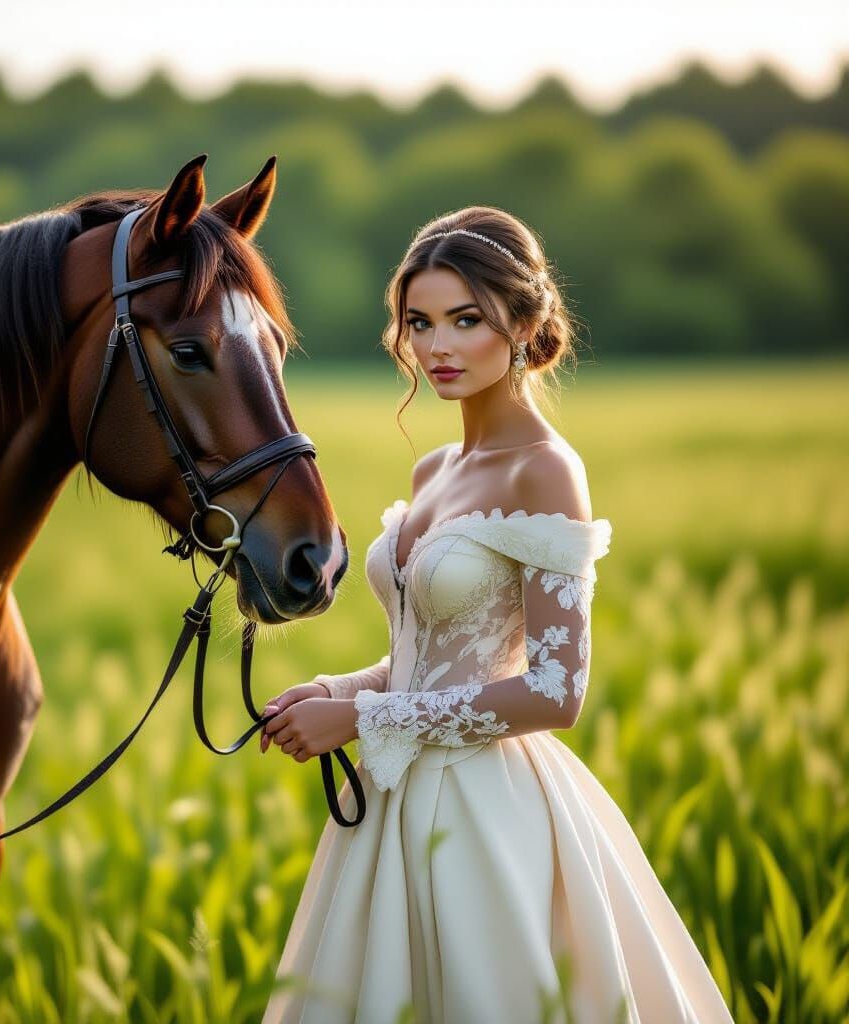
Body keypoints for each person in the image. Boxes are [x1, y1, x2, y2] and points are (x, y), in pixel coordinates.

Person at [259, 207, 733, 1023]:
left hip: (484, 812)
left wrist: (363, 718)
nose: (437, 347)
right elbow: (432, 650)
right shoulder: (436, 469)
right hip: (394, 798)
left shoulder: (545, 472)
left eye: (465, 320)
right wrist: (338, 687)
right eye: (420, 323)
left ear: (523, 323)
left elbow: (555, 692)